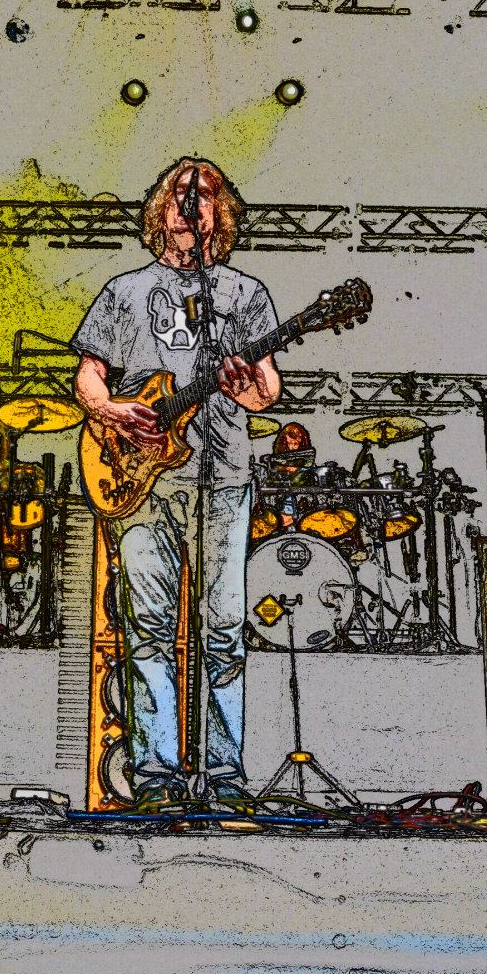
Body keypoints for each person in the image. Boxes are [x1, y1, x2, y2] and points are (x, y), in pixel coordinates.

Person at [72, 158, 281, 809]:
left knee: (224, 630)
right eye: (181, 194)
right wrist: (112, 411)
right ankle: (157, 775)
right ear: (160, 211)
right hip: (140, 480)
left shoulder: (245, 294)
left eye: (206, 195)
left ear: (222, 215)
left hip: (224, 476)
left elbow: (267, 390)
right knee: (150, 627)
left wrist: (247, 387)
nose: (192, 204)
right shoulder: (124, 291)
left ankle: (224, 775)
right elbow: (88, 377)